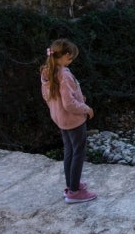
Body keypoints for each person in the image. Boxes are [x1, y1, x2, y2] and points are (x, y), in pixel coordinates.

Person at [40, 39, 97, 204]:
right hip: (73, 120)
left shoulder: (47, 71)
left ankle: (72, 184)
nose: (71, 61)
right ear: (65, 56)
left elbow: (50, 97)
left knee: (69, 151)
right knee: (78, 153)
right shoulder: (64, 74)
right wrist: (86, 108)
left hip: (60, 119)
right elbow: (69, 103)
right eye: (71, 58)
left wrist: (78, 98)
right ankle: (74, 192)